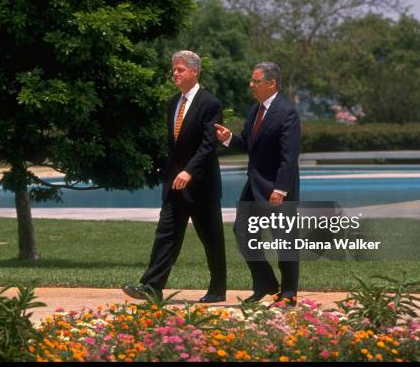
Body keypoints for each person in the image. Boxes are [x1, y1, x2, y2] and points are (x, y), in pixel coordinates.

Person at [122, 50, 227, 303]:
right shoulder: (172, 104)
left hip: (201, 185)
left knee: (211, 238)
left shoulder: (210, 104)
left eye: (180, 69)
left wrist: (189, 171)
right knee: (166, 234)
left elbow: (208, 145)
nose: (175, 74)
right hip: (174, 184)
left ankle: (217, 290)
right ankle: (151, 287)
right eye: (174, 70)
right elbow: (175, 145)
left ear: (194, 72)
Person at [214, 61, 300, 305]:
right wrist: (229, 138)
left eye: (256, 81)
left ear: (271, 83)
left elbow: (289, 156)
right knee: (243, 233)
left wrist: (280, 189)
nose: (251, 85)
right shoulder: (255, 111)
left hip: (277, 188)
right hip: (253, 186)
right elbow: (248, 144)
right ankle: (266, 283)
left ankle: (289, 293)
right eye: (251, 81)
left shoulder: (287, 112)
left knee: (284, 239)